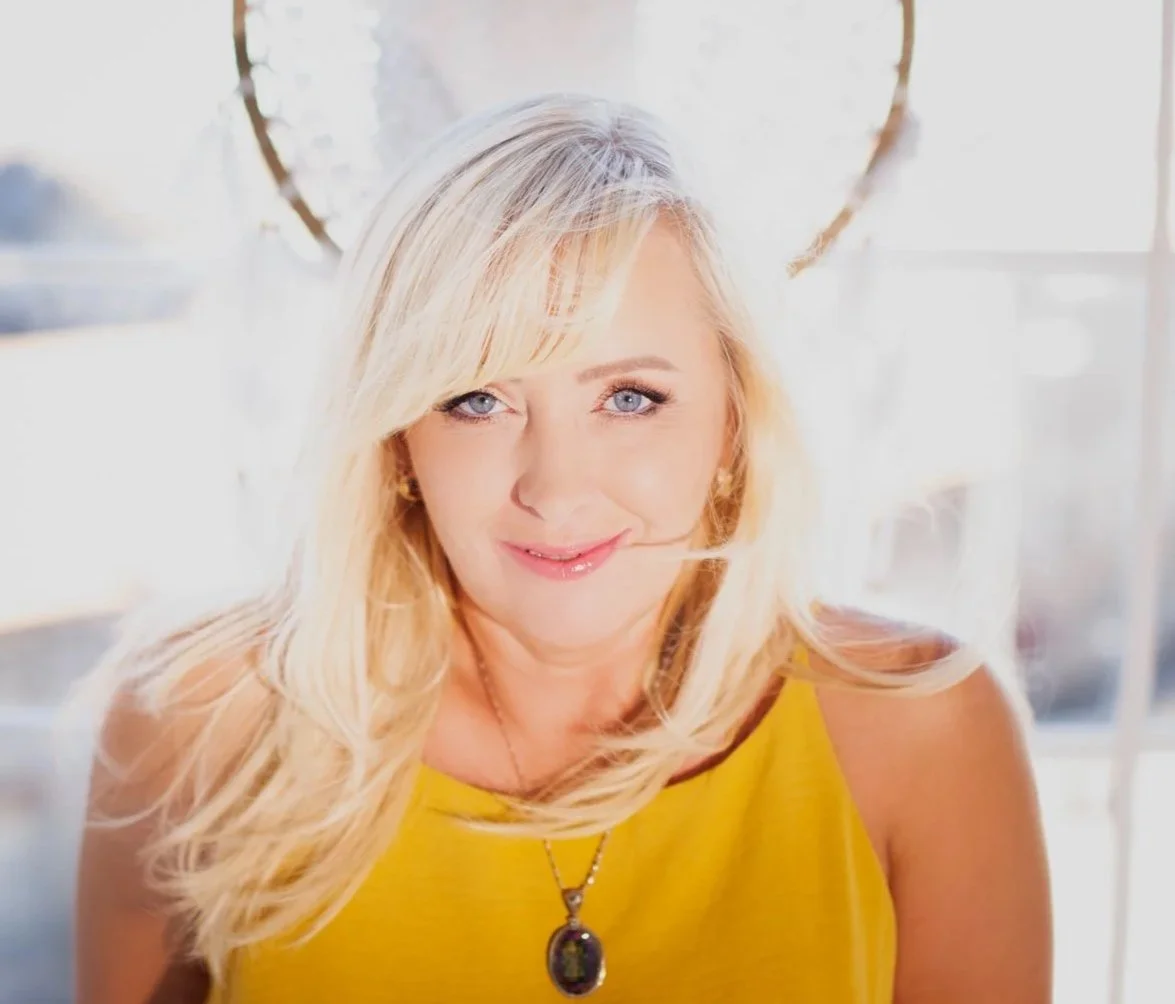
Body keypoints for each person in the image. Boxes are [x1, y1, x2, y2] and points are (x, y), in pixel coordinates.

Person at [74, 93, 1052, 1003]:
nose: (554, 487)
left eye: (629, 397)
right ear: (398, 443)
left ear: (733, 424)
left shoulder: (921, 730)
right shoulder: (200, 724)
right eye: (476, 399)